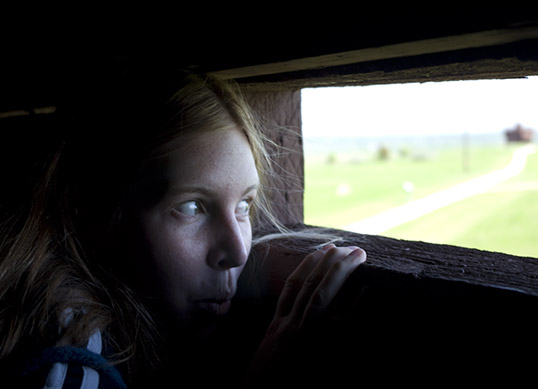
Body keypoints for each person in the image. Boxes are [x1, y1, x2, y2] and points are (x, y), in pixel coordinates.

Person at [0, 66, 366, 387]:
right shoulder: (67, 360)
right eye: (191, 207)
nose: (237, 252)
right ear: (96, 213)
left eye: (244, 205)